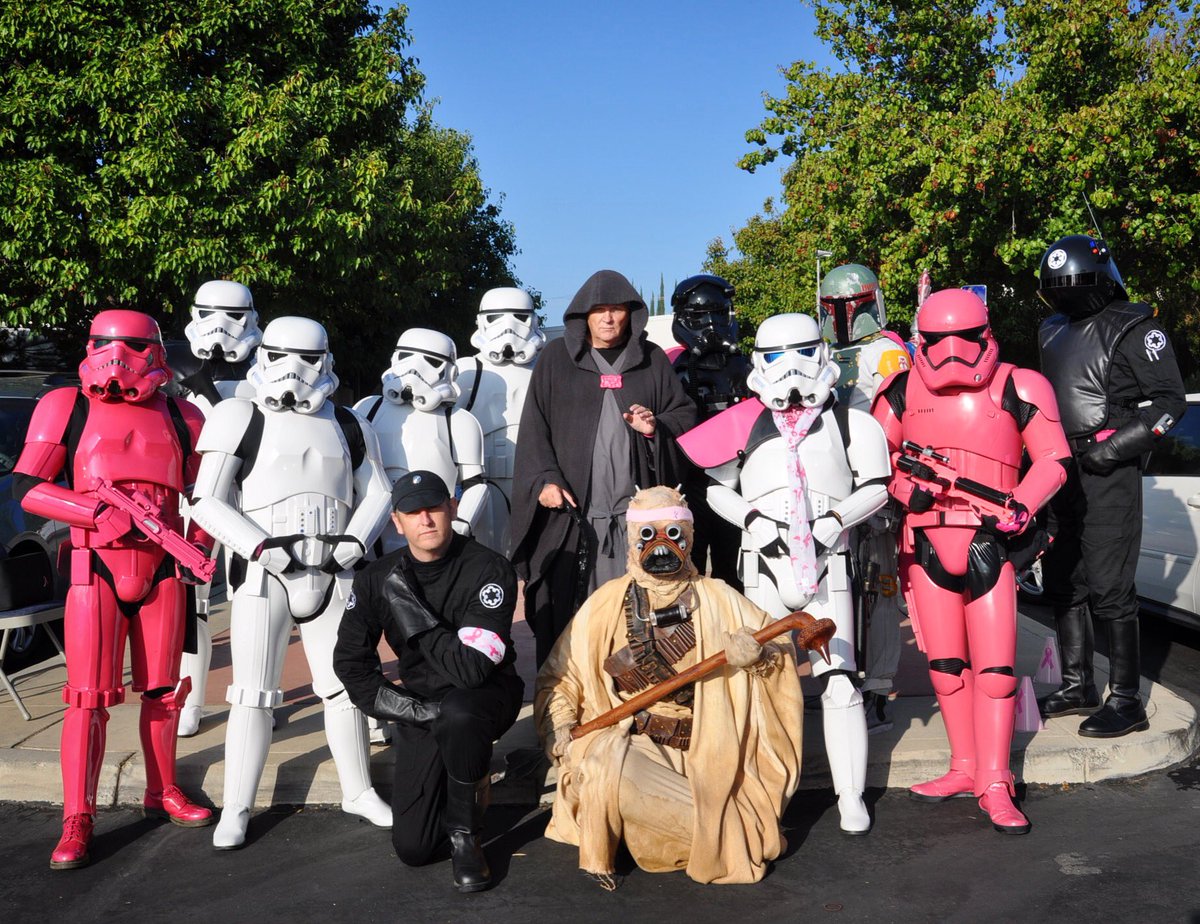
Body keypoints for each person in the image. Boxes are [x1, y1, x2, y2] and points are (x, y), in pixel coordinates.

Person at [535, 486, 830, 887]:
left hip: (706, 749)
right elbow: (561, 675)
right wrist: (562, 722)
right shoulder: (606, 602)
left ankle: (710, 827)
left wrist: (757, 659)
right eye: (647, 534)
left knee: (614, 784)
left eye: (671, 533)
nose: (659, 545)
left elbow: (775, 649)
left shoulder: (720, 598)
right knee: (605, 764)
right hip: (630, 741)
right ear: (631, 539)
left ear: (688, 538)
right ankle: (721, 830)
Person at [14, 310, 214, 869]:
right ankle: (78, 815)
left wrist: (197, 546)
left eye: (130, 346)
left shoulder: (183, 414)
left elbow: (207, 493)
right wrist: (92, 509)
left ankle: (163, 787)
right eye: (104, 344)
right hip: (93, 566)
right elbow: (30, 486)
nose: (117, 357)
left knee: (163, 690)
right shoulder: (65, 406)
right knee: (87, 698)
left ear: (155, 351)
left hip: (163, 567)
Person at [678, 312, 891, 835]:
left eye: (801, 352)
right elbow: (714, 487)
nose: (790, 368)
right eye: (776, 356)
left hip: (830, 562)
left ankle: (850, 796)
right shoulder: (742, 421)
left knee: (840, 681)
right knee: (760, 680)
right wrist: (753, 519)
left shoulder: (852, 422)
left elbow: (878, 484)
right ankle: (765, 791)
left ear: (821, 353)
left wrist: (835, 520)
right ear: (757, 362)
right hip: (762, 563)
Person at [189, 316, 394, 849]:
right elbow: (207, 498)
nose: (294, 370)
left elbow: (378, 492)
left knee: (345, 685)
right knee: (252, 694)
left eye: (308, 358)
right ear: (263, 353)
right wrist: (259, 547)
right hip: (263, 573)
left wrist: (353, 542)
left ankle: (358, 790)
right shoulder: (239, 415)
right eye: (281, 356)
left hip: (334, 570)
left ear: (326, 360)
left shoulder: (350, 422)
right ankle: (237, 805)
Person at [871, 288, 1070, 833]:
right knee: (945, 664)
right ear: (921, 341)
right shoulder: (900, 389)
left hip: (988, 540)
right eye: (938, 340)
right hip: (926, 541)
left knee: (997, 670)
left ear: (986, 333)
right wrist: (901, 483)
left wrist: (1023, 504)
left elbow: (1052, 459)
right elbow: (871, 459)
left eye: (966, 337)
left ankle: (995, 776)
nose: (953, 350)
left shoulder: (1019, 384)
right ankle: (963, 765)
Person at [333, 470, 524, 893]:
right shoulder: (375, 578)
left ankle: (467, 836)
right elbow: (350, 664)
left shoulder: (489, 569)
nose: (426, 519)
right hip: (424, 706)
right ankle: (469, 777)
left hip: (486, 694)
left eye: (434, 507)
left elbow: (471, 670)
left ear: (451, 509)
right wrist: (414, 711)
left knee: (460, 713)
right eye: (412, 513)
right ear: (396, 523)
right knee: (413, 849)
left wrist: (411, 613)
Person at [1036, 235, 1186, 737]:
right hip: (1061, 468)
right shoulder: (1051, 331)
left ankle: (1126, 699)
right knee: (1063, 579)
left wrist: (1113, 449)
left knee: (1109, 587)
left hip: (1108, 470)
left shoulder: (1134, 327)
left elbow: (1169, 402)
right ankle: (1077, 683)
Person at [510, 269, 697, 665]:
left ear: (631, 314)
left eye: (616, 310)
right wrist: (545, 479)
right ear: (583, 316)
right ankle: (570, 703)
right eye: (599, 311)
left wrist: (654, 429)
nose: (608, 319)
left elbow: (683, 416)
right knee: (569, 614)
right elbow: (534, 429)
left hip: (636, 525)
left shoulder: (651, 360)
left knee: (639, 616)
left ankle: (637, 700)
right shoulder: (556, 360)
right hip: (574, 518)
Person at [165, 279, 262, 737]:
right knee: (193, 603)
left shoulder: (270, 366)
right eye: (210, 313)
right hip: (192, 494)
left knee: (252, 600)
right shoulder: (171, 366)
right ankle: (191, 698)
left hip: (251, 495)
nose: (221, 327)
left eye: (234, 315)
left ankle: (253, 691)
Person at [354, 327, 488, 554]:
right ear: (395, 359)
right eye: (407, 357)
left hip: (432, 528)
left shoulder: (458, 421)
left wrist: (459, 526)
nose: (415, 369)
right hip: (371, 529)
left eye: (430, 361)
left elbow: (475, 484)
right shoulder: (368, 408)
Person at [665, 274, 750, 589]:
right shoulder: (673, 370)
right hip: (691, 483)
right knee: (692, 571)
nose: (711, 324)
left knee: (737, 571)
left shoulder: (744, 366)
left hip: (738, 480)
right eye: (701, 317)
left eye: (718, 314)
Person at [453, 287, 547, 553]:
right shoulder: (469, 370)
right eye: (497, 317)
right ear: (482, 321)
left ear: (533, 320)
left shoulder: (546, 367)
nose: (509, 327)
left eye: (519, 317)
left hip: (535, 479)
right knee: (487, 552)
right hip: (482, 480)